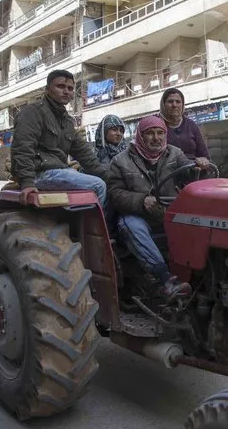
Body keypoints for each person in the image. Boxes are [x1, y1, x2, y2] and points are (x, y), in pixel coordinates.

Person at [106, 115, 207, 300]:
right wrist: (141, 200)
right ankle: (166, 279)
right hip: (138, 215)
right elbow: (115, 194)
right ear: (140, 136)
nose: (156, 138)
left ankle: (201, 276)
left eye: (160, 133)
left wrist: (198, 167)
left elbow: (188, 173)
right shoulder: (121, 161)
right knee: (131, 225)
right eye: (150, 133)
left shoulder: (175, 153)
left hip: (167, 213)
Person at [11, 70, 108, 207]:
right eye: (60, 86)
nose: (66, 91)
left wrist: (108, 176)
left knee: (105, 182)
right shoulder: (32, 112)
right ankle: (94, 228)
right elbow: (23, 149)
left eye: (70, 88)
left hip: (60, 171)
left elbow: (83, 153)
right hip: (40, 174)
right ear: (47, 89)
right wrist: (27, 182)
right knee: (98, 186)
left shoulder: (67, 120)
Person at [158, 88, 210, 169]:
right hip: (166, 173)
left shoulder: (191, 125)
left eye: (178, 102)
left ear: (182, 105)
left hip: (194, 172)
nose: (174, 105)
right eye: (170, 101)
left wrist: (204, 161)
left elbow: (205, 155)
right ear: (163, 104)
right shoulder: (156, 125)